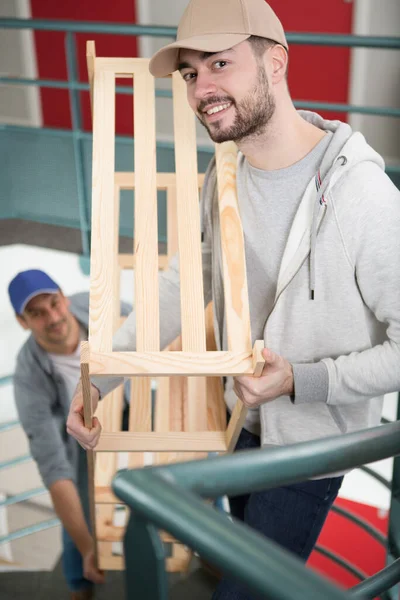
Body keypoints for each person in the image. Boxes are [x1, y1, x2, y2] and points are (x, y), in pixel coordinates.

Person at [67, 0, 400, 597]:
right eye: (192, 73)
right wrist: (102, 378)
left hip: (309, 444)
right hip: (243, 418)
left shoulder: (364, 200)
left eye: (220, 63)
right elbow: (180, 283)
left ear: (276, 63)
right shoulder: (225, 171)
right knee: (235, 556)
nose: (202, 89)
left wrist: (300, 378)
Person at [8, 269, 130, 600]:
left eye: (54, 303)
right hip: (79, 437)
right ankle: (81, 581)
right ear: (23, 322)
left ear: (64, 295)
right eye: (37, 313)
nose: (53, 317)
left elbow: (142, 325)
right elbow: (53, 466)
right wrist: (89, 546)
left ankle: (210, 556)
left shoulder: (97, 308)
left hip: (128, 404)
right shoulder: (28, 378)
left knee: (182, 463)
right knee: (76, 499)